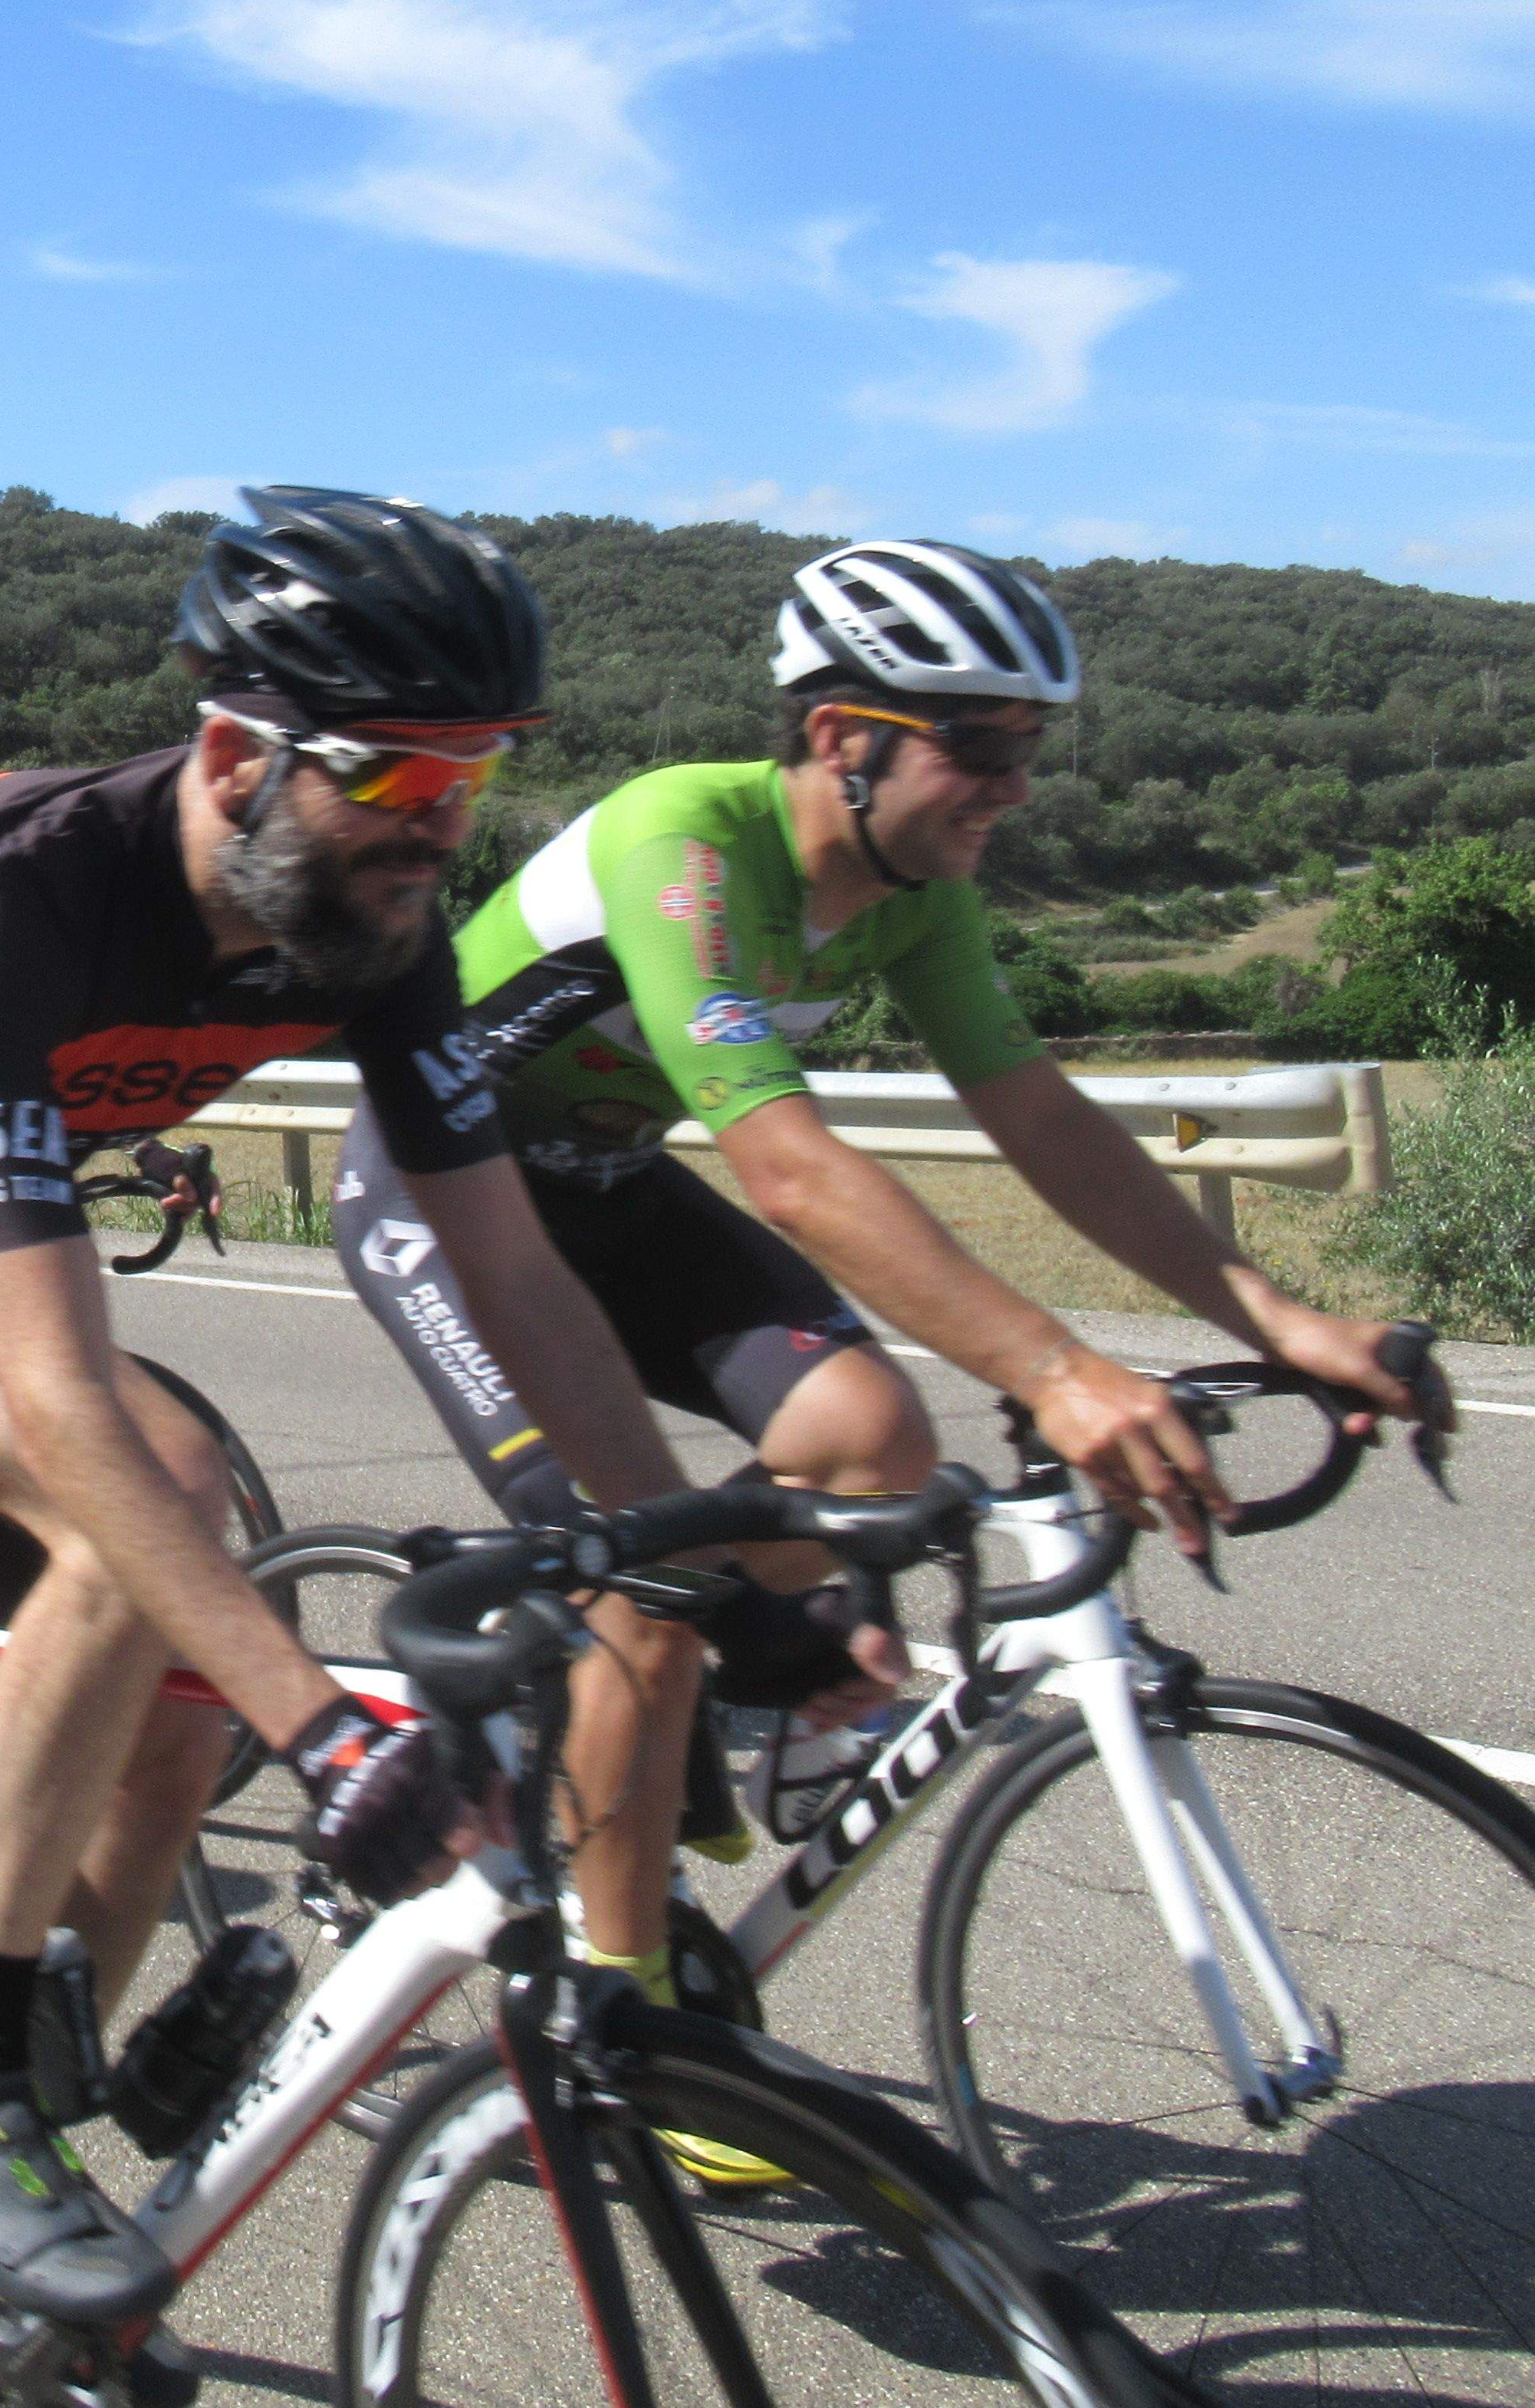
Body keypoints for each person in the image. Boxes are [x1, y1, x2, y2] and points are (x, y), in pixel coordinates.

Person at [0, 489, 721, 2327]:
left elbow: (512, 1274)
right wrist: (331, 1741)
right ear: (233, 751)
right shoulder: (20, 882)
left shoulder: (371, 922)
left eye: (469, 782)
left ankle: (45, 2064)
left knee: (161, 1688)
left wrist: (677, 1557)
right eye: (392, 780)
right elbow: (60, 1397)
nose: (435, 831)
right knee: (156, 1492)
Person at [333, 536, 1449, 1983]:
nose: (1012, 785)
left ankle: (733, 1701)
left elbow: (1039, 1116)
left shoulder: (919, 895)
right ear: (838, 736)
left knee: (868, 1433)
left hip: (599, 1189)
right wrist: (1052, 1370)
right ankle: (630, 2014)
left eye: (1029, 746)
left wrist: (1273, 1313)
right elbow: (787, 1168)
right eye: (978, 744)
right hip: (443, 1199)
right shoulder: (675, 835)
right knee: (653, 1587)